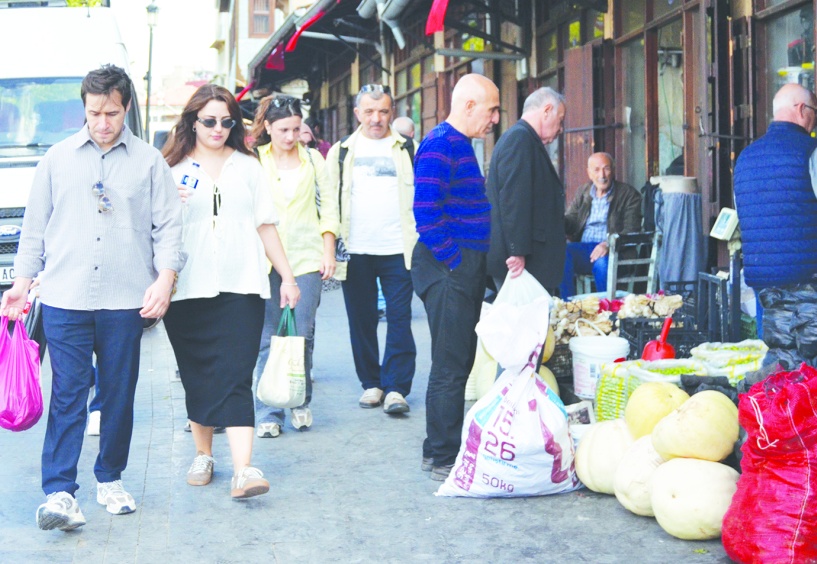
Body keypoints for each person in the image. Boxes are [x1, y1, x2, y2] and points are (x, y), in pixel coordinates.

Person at [0, 65, 184, 531]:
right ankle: (59, 491)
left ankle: (110, 477)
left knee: (118, 394)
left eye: (113, 112)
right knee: (68, 393)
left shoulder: (148, 162)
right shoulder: (57, 159)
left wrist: (165, 279)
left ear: (127, 109)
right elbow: (34, 228)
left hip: (126, 299)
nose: (103, 122)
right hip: (65, 296)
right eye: (95, 112)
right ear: (84, 109)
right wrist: (21, 284)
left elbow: (168, 228)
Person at [161, 85, 300, 499]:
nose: (218, 128)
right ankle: (203, 453)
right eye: (209, 121)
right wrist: (171, 205)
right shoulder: (170, 170)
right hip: (187, 288)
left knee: (237, 373)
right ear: (193, 122)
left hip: (242, 285)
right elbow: (153, 229)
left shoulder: (249, 167)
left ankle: (244, 469)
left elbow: (266, 225)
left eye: (226, 121)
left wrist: (288, 277)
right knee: (198, 375)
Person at [411, 73, 500, 481]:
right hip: (447, 268)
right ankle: (443, 456)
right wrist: (456, 263)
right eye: (492, 109)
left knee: (458, 361)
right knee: (449, 366)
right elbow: (425, 214)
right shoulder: (441, 143)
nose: (495, 118)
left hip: (458, 267)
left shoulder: (457, 143)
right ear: (468, 106)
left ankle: (441, 449)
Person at [325, 84, 418, 415]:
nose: (376, 118)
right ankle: (372, 383)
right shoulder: (341, 152)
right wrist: (329, 248)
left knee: (399, 317)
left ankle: (396, 388)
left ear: (391, 112)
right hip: (357, 250)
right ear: (357, 114)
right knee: (361, 320)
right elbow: (330, 206)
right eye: (369, 111)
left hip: (399, 248)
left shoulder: (409, 148)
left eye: (382, 111)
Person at [250, 95, 339, 437]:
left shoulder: (314, 160)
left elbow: (329, 207)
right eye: (283, 129)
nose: (290, 137)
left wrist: (328, 251)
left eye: (296, 129)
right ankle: (269, 411)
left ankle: (299, 400)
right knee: (268, 337)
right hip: (264, 260)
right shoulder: (254, 160)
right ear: (268, 128)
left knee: (301, 334)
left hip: (305, 256)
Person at [735, 83, 817, 361]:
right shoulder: (811, 151)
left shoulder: (745, 158)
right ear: (802, 109)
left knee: (777, 367)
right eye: (814, 112)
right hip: (808, 281)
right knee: (810, 368)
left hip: (764, 281)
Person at [486, 87, 567, 293]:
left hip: (526, 261)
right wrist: (517, 252)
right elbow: (514, 199)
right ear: (547, 110)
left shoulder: (524, 138)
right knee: (525, 323)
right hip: (520, 264)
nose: (561, 129)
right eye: (560, 119)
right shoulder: (520, 139)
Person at [559, 152, 642, 299]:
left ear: (613, 171)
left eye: (606, 169)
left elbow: (631, 230)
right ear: (589, 173)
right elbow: (571, 220)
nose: (602, 175)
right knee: (560, 254)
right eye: (596, 170)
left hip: (613, 251)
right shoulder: (583, 192)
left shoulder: (628, 194)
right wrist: (556, 220)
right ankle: (568, 305)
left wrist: (608, 245)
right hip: (584, 249)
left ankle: (607, 312)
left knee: (602, 264)